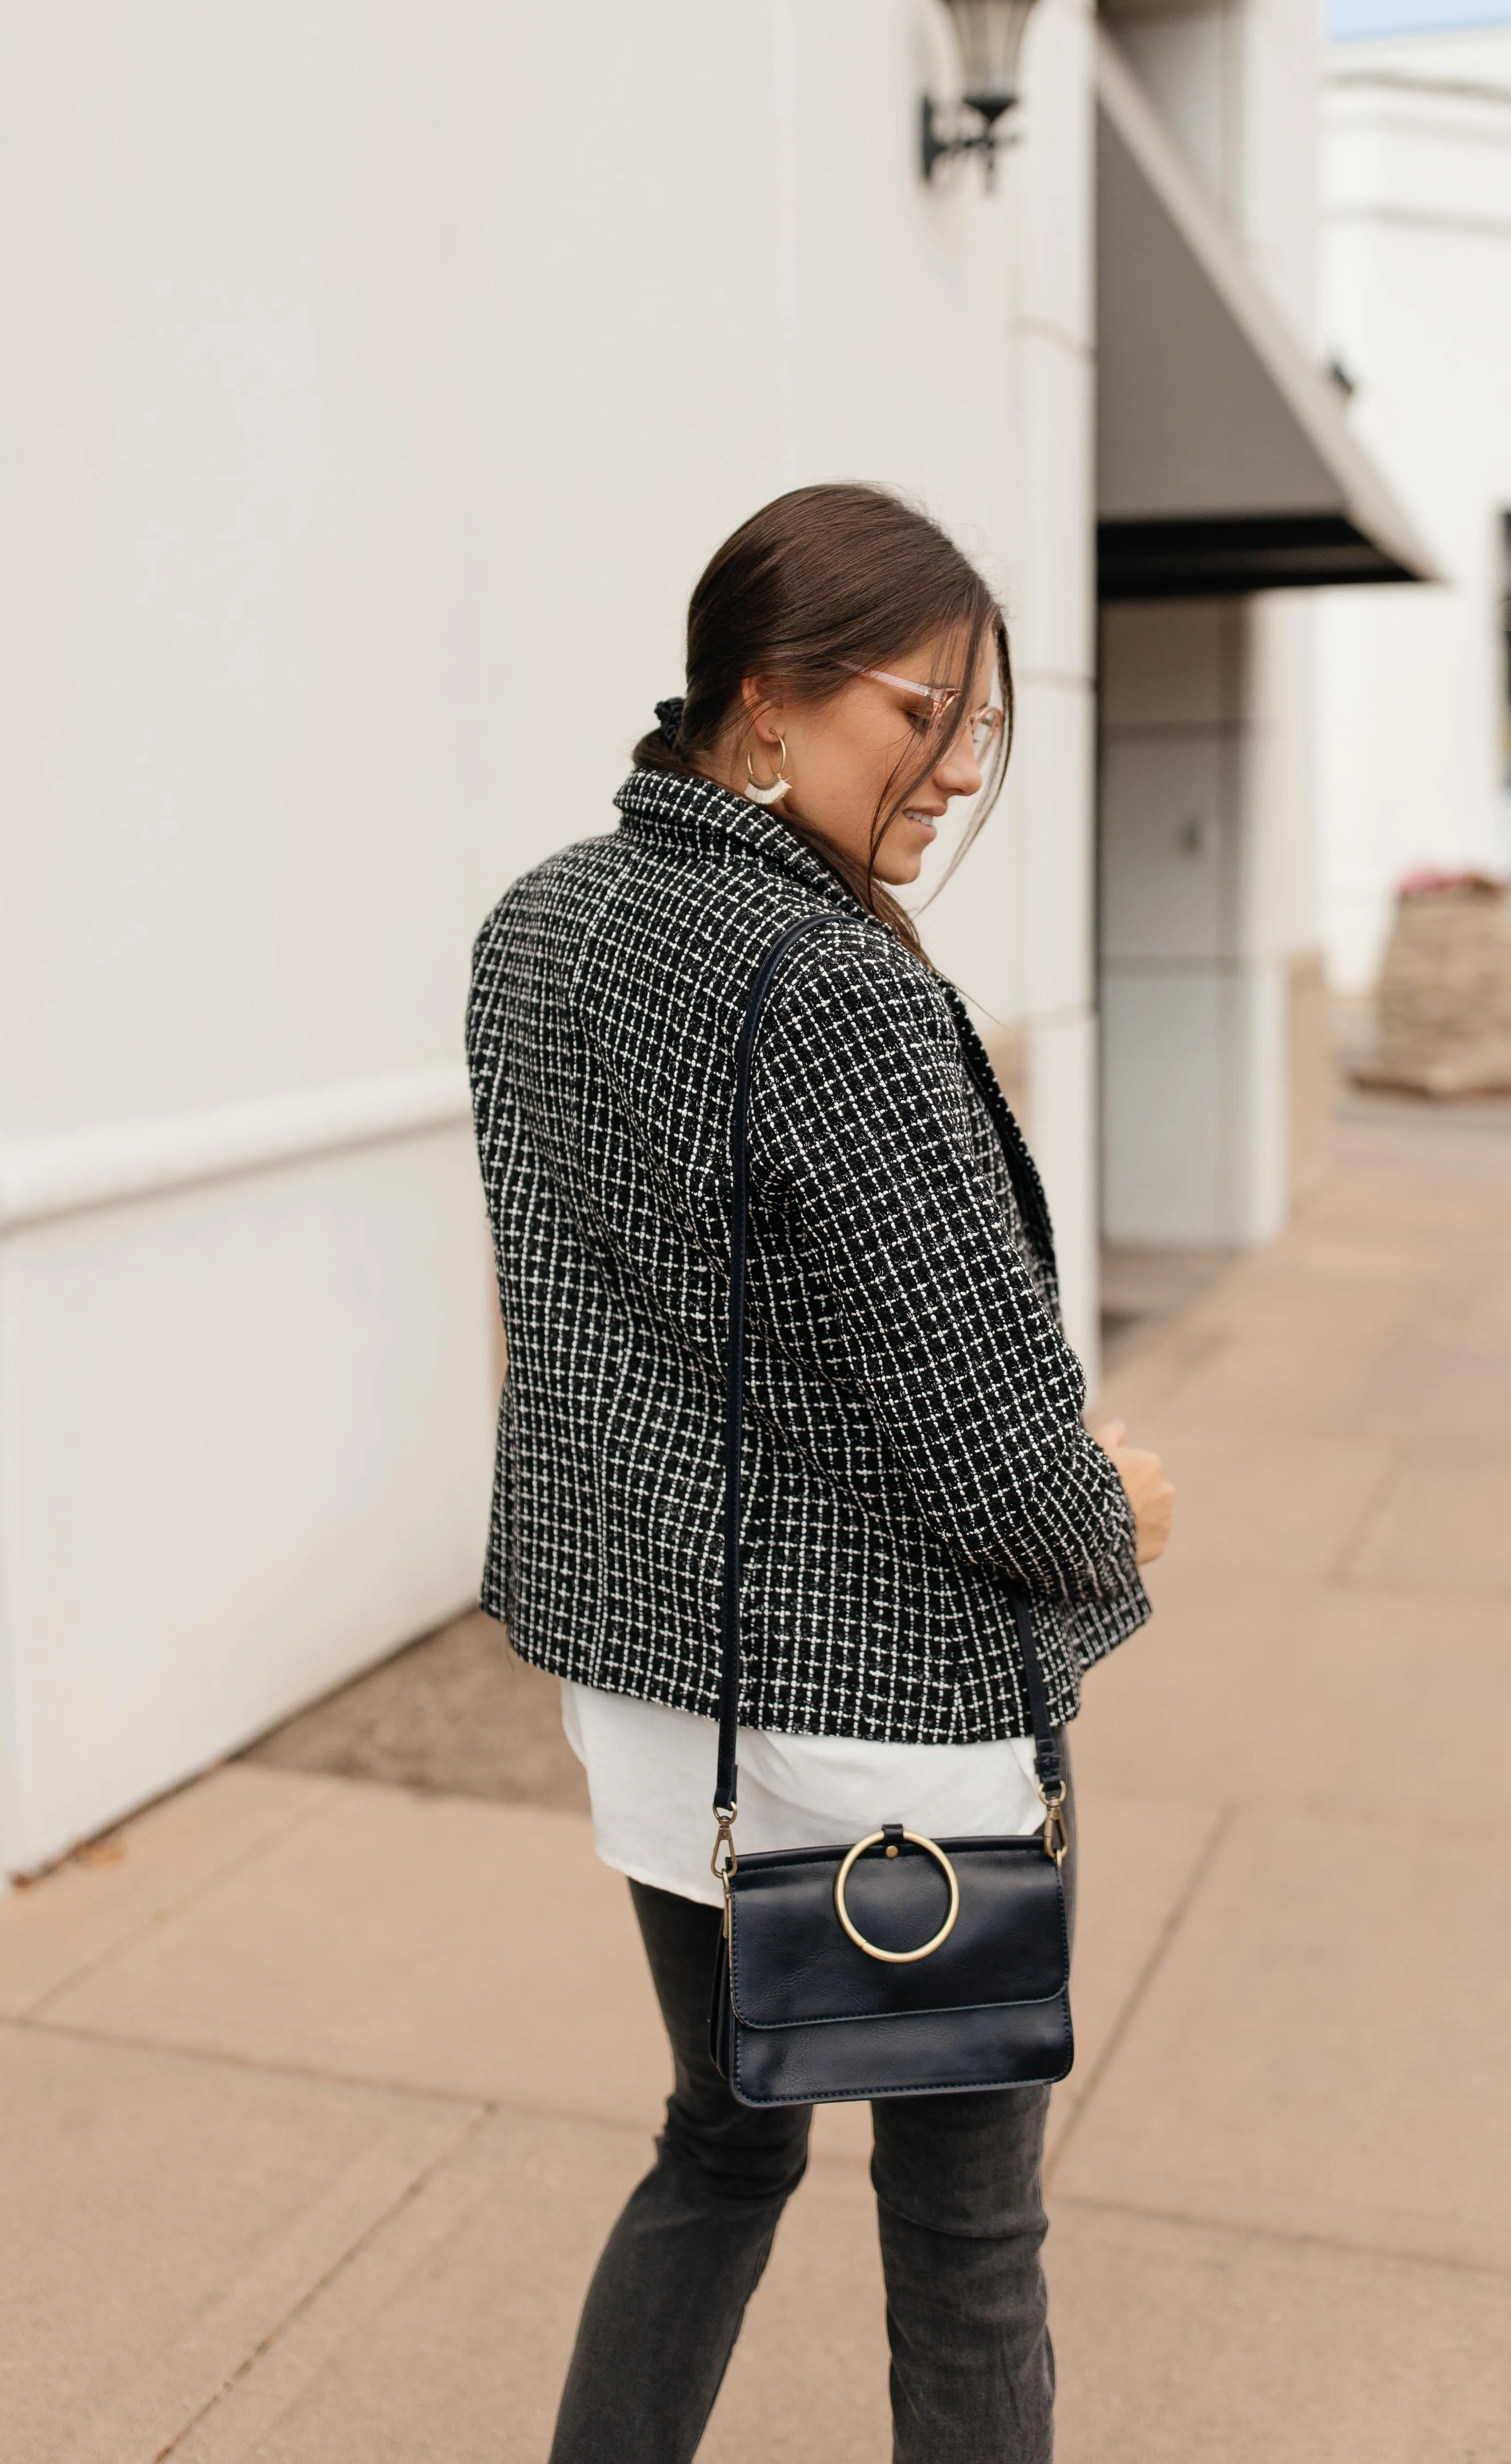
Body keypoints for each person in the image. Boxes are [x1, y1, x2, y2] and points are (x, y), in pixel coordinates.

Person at [465, 483, 1175, 2464]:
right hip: (886, 1727)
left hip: (661, 1700)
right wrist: (1111, 1507)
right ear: (765, 704)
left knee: (722, 2140)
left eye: (977, 729)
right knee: (968, 2233)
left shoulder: (537, 923)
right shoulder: (835, 991)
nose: (954, 771)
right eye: (917, 718)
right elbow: (986, 1432)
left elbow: (573, 1319)